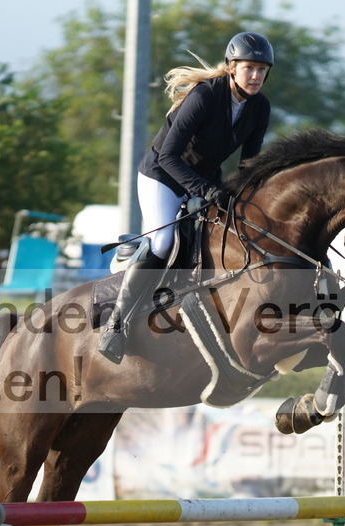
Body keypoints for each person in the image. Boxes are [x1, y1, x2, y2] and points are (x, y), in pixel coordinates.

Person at [99, 31, 274, 363]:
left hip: (205, 179)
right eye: (249, 68)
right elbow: (168, 156)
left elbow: (250, 164)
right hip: (162, 176)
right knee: (164, 242)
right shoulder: (206, 96)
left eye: (262, 70)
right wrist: (205, 189)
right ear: (231, 67)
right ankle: (116, 324)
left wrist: (246, 198)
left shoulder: (259, 107)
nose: (255, 76)